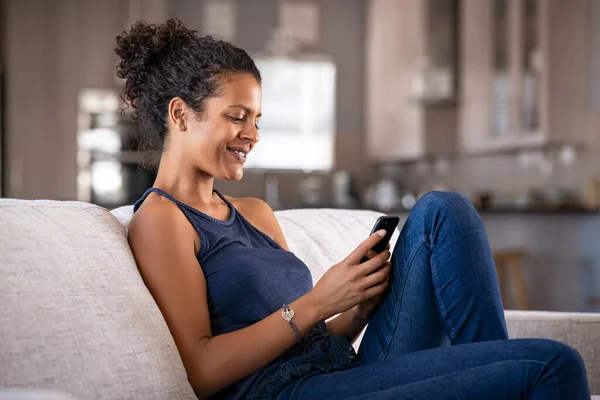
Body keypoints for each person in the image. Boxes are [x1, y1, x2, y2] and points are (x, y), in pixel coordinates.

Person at [118, 19, 590, 400]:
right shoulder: (162, 220)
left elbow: (312, 339)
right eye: (237, 117)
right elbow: (201, 371)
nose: (253, 135)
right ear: (180, 115)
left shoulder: (255, 213)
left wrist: (356, 305)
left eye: (257, 120)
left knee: (443, 211)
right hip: (286, 393)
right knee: (554, 364)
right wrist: (316, 302)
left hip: (338, 370)